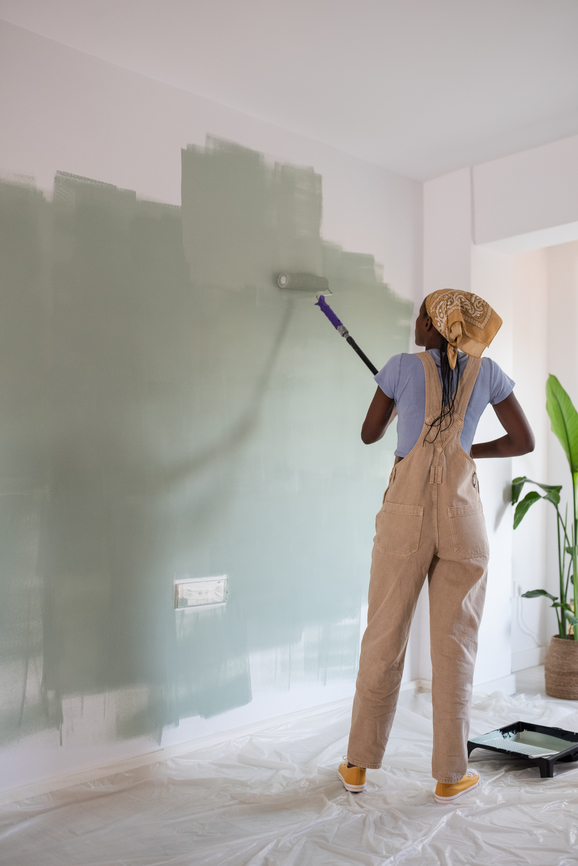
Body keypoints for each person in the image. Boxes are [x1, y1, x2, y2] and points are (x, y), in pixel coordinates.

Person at [338, 289, 534, 803]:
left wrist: (395, 399)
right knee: (456, 646)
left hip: (406, 520)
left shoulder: (401, 366)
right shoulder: (487, 373)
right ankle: (451, 774)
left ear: (436, 326)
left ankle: (357, 764)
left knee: (383, 635)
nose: (415, 323)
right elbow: (522, 441)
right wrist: (467, 448)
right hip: (463, 521)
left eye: (421, 317)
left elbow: (368, 434)